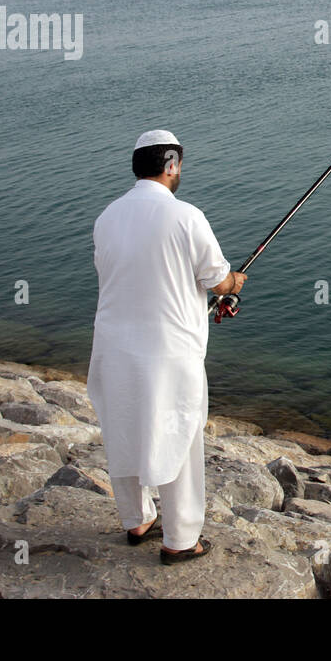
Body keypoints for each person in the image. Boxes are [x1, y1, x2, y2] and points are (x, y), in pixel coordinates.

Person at [86, 130, 247, 564]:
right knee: (178, 435)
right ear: (172, 164)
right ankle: (180, 540)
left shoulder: (107, 217)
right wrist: (233, 284)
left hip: (112, 346)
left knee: (123, 428)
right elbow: (216, 279)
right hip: (168, 353)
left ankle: (137, 520)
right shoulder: (186, 216)